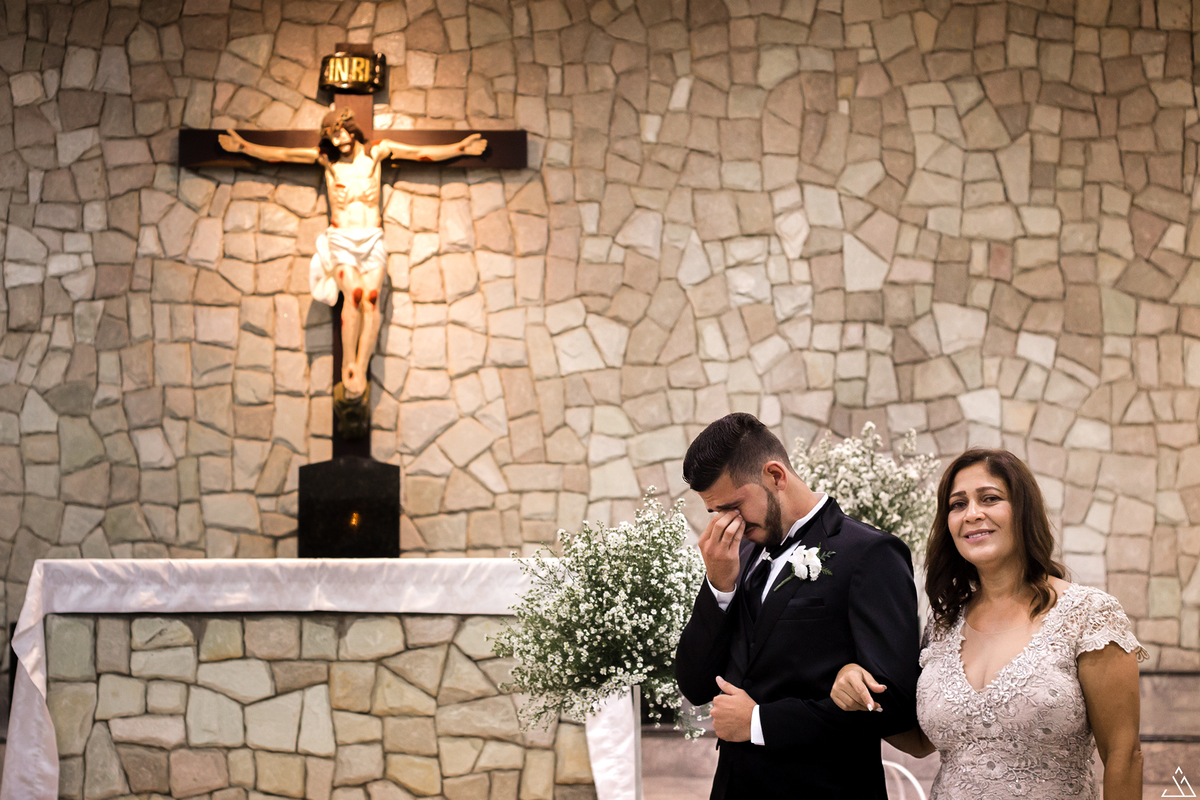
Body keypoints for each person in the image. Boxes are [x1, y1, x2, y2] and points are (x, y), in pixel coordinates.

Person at [830, 448, 1145, 799]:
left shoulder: (1089, 613)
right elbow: (920, 742)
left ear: (1023, 510)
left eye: (990, 498)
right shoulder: (944, 623)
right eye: (957, 504)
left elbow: (1124, 755)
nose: (972, 514)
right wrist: (857, 688)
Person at [675, 412, 921, 799]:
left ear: (775, 475)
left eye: (733, 507)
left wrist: (760, 722)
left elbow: (895, 703)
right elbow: (695, 685)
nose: (727, 523)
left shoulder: (870, 554)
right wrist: (718, 586)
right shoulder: (737, 556)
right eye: (716, 512)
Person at [218, 109, 487, 411]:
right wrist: (244, 147)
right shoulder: (328, 162)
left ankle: (361, 367)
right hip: (342, 239)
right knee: (354, 295)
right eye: (332, 136)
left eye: (341, 132)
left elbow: (420, 152)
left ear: (351, 128)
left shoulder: (376, 153)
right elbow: (283, 154)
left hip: (371, 238)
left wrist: (459, 148)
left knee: (371, 299)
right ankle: (349, 365)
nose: (339, 140)